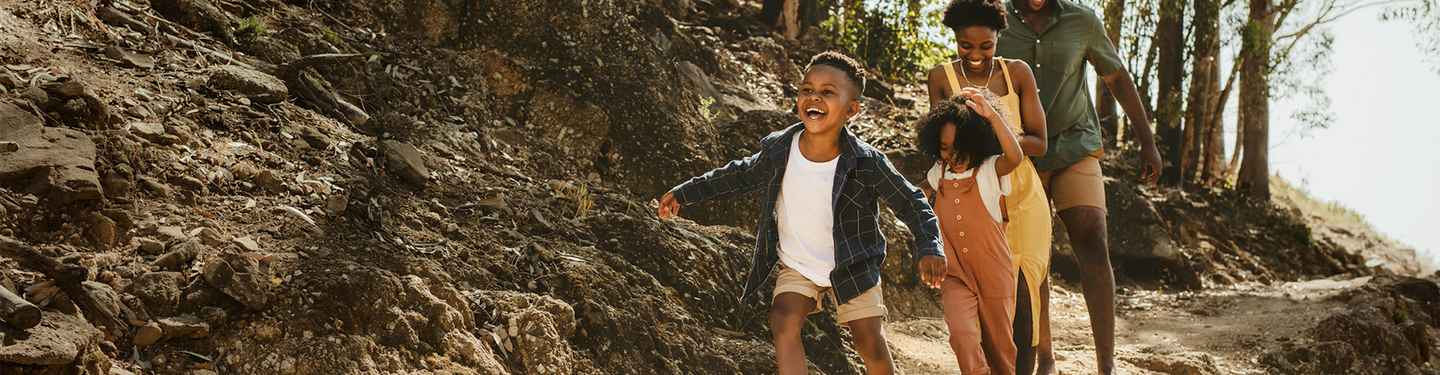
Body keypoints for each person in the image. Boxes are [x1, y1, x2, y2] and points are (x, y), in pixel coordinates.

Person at [657, 51, 948, 375]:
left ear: (852, 109)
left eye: (828, 92)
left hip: (853, 263)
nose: (814, 97)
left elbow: (912, 202)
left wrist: (929, 246)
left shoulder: (867, 162)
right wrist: (685, 191)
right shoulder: (780, 150)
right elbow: (738, 176)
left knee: (868, 342)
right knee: (782, 318)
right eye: (807, 89)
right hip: (799, 265)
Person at [995, 0, 1164, 374]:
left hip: (1076, 144)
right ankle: (1046, 359)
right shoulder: (999, 20)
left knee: (1092, 233)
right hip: (1021, 152)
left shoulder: (1083, 20)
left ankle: (1107, 363)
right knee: (1033, 257)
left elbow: (1116, 76)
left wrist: (1146, 140)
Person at [926, 0, 1055, 372]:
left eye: (986, 46)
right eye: (966, 45)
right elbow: (940, 147)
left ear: (1000, 37)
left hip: (1021, 194)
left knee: (1026, 294)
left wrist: (988, 140)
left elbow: (1039, 142)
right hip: (973, 200)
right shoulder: (940, 78)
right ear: (954, 38)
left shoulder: (1018, 73)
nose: (976, 55)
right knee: (985, 301)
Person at [915, 92, 1025, 375]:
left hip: (994, 275)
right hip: (954, 275)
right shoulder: (938, 173)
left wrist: (992, 116)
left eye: (959, 146)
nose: (952, 156)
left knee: (1000, 348)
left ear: (977, 139)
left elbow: (1015, 156)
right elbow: (912, 193)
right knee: (961, 333)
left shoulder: (990, 170)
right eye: (944, 148)